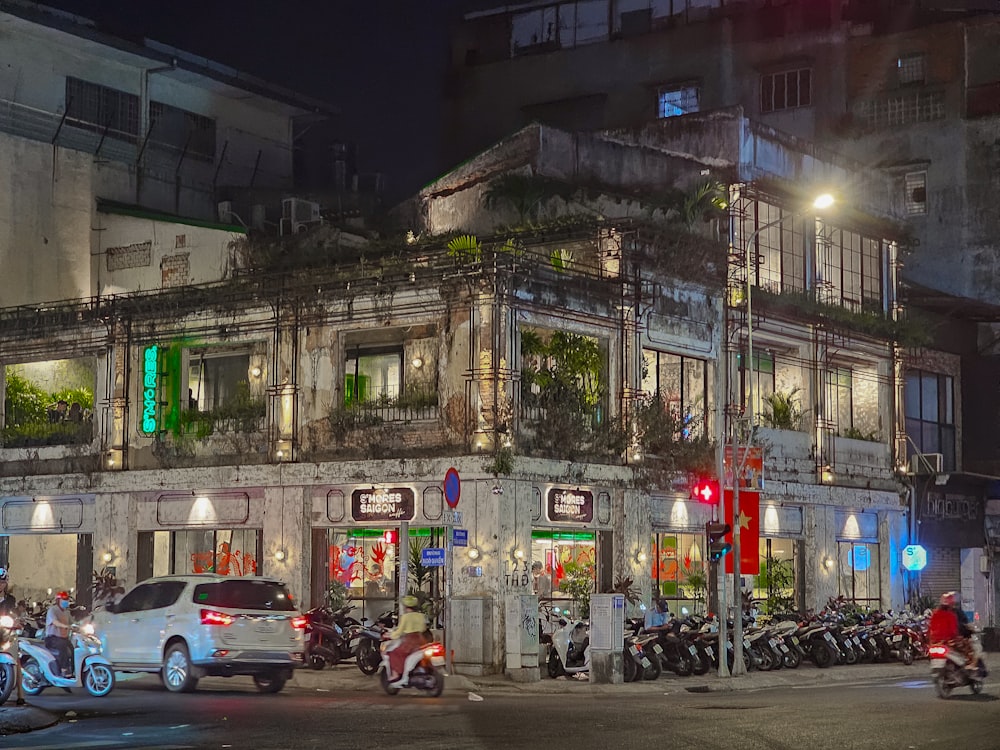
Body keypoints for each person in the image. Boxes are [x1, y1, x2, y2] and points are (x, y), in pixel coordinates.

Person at [384, 595, 429, 685]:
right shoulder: (421, 616)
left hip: (410, 640)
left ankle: (395, 674)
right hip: (421, 640)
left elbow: (399, 631)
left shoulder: (405, 617)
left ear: (405, 606)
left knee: (394, 653)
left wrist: (390, 635)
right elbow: (424, 628)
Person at [928, 591, 975, 670]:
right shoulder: (951, 615)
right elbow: (954, 631)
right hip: (949, 641)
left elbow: (930, 628)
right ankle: (969, 665)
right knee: (967, 647)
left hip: (936, 642)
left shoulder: (935, 614)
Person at [45, 591, 74, 677]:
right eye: (64, 599)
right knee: (63, 648)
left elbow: (72, 623)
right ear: (58, 600)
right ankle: (63, 669)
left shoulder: (66, 612)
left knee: (73, 649)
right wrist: (65, 626)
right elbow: (55, 622)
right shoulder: (52, 610)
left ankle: (72, 670)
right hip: (52, 638)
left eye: (67, 599)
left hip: (64, 638)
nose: (66, 601)